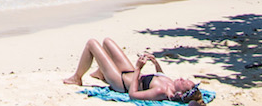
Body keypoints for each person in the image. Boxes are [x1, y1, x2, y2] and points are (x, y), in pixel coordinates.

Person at [64, 39, 205, 103]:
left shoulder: (161, 92)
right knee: (107, 42)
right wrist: (155, 64)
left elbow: (133, 95)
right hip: (131, 73)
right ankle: (101, 73)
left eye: (185, 82)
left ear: (180, 93)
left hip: (121, 82)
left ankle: (77, 77)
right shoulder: (171, 84)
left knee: (92, 44)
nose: (182, 79)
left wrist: (138, 68)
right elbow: (160, 76)